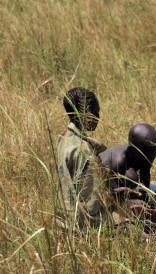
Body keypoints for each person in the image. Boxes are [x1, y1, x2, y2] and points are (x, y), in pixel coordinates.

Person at [56, 87, 109, 231]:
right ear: (87, 113)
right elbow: (92, 204)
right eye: (96, 111)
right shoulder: (84, 151)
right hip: (82, 226)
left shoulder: (64, 137)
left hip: (63, 219)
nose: (98, 116)